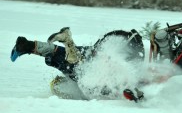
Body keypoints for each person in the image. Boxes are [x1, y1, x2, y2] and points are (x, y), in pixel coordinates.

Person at [11, 27, 145, 100]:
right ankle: (63, 41)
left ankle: (30, 45)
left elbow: (54, 51)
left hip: (93, 55)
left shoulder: (74, 77)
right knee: (80, 73)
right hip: (95, 57)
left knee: (78, 73)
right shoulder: (80, 79)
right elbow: (54, 50)